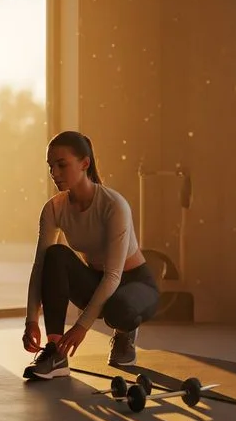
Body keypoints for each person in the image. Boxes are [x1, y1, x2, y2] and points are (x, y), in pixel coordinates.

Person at [21, 131, 160, 379]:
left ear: (85, 163)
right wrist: (31, 319)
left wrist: (81, 327)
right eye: (51, 166)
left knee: (119, 310)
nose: (54, 172)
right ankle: (56, 353)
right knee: (55, 255)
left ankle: (125, 333)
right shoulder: (54, 208)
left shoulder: (113, 205)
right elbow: (40, 266)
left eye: (61, 165)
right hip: (97, 280)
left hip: (134, 282)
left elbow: (113, 275)